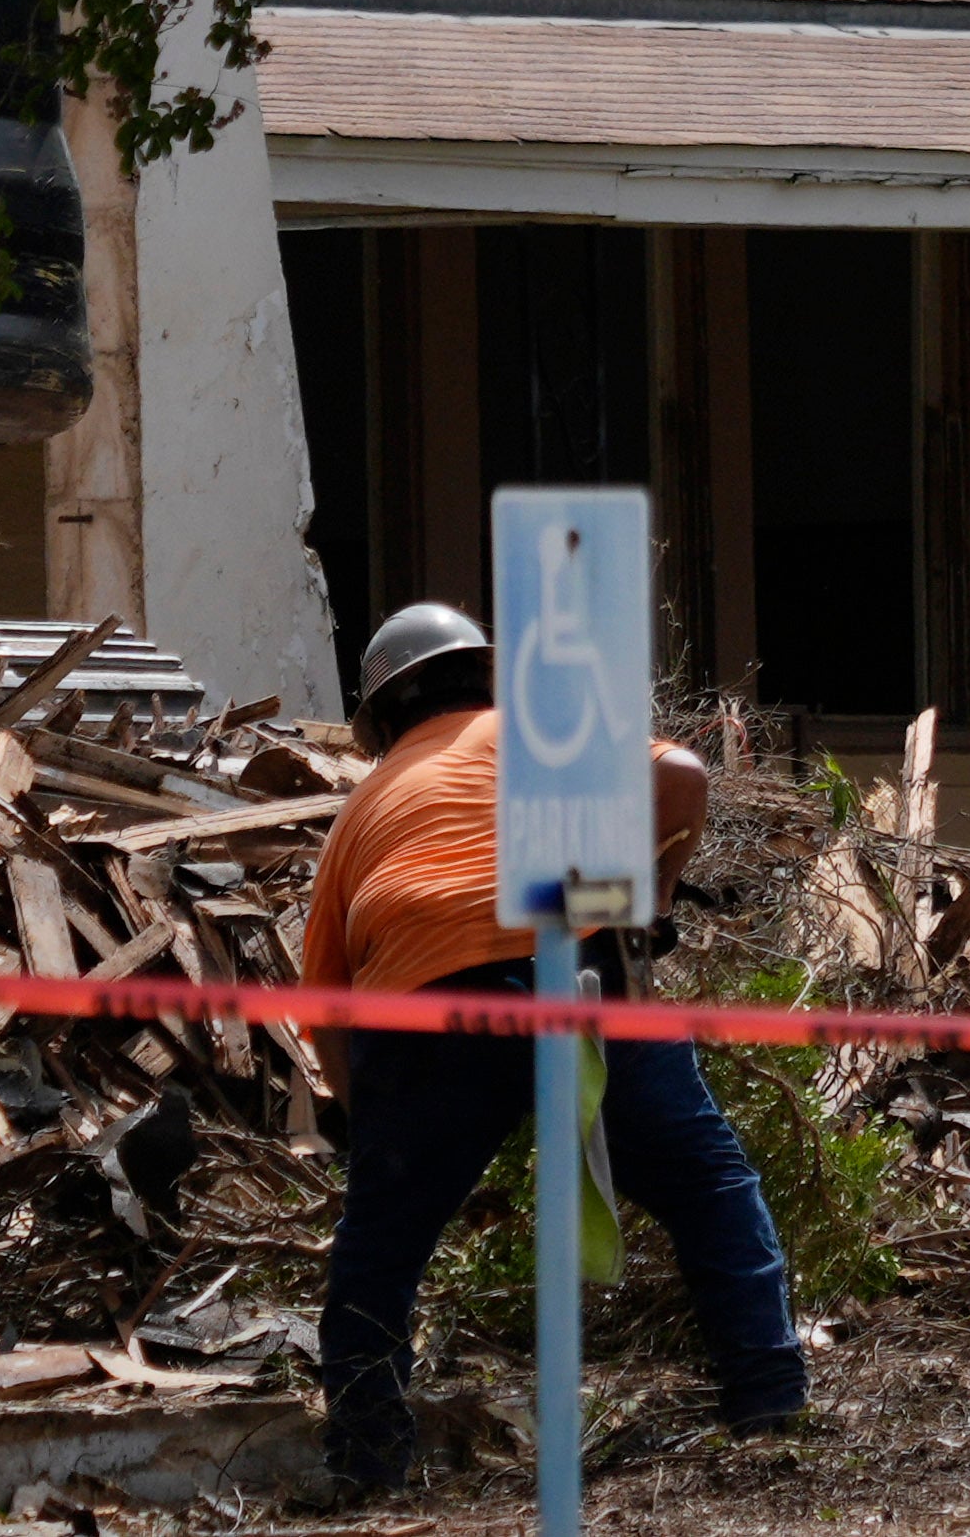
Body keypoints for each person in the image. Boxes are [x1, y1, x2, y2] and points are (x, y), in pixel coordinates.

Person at [301, 601, 809, 1486]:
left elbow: (328, 1007)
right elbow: (682, 771)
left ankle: (367, 1451)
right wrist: (648, 896)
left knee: (382, 1243)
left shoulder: (361, 811)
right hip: (578, 964)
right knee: (703, 1182)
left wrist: (376, 1133)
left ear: (380, 719)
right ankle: (766, 1403)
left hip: (425, 998)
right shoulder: (542, 739)